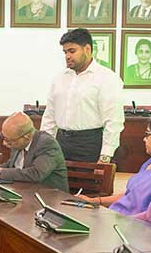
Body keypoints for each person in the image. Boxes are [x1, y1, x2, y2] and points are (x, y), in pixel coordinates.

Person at [41, 28, 124, 163]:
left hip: (89, 145)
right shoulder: (59, 79)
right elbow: (49, 117)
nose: (67, 56)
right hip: (60, 143)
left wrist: (105, 156)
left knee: (87, 178)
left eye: (72, 51)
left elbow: (113, 121)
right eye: (65, 52)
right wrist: (43, 147)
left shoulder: (107, 78)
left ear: (87, 49)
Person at [0, 112, 68, 191]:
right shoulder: (18, 141)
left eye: (8, 140)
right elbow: (10, 166)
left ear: (26, 137)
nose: (4, 143)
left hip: (50, 197)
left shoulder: (46, 143)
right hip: (25, 193)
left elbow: (35, 173)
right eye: (3, 137)